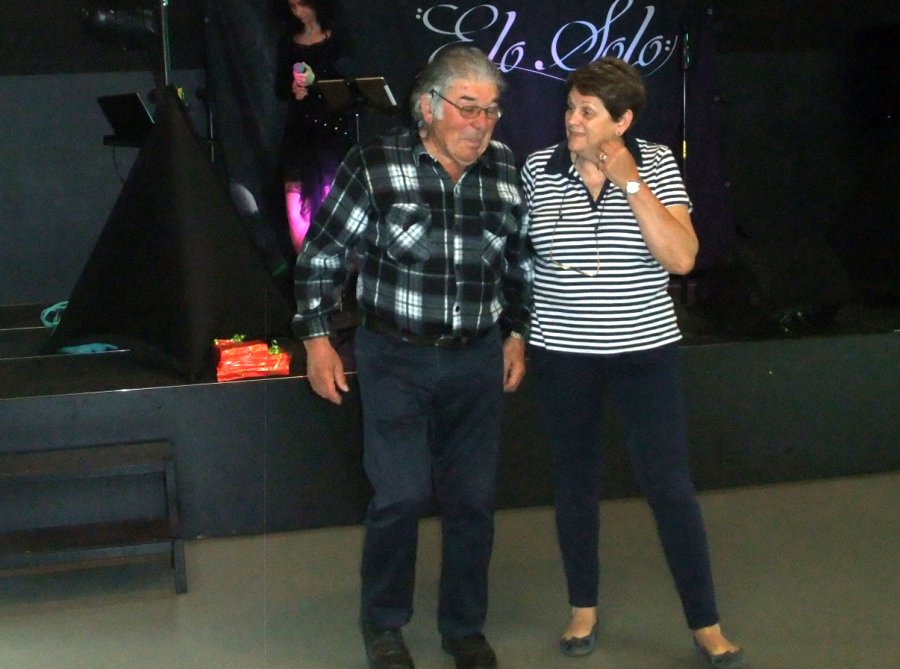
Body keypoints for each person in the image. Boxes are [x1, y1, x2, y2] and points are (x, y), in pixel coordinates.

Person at [292, 46, 531, 669]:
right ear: (427, 106)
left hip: (476, 358)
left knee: (472, 500)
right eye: (468, 107)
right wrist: (317, 339)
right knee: (399, 497)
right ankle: (383, 621)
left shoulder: (506, 167)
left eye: (491, 110)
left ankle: (463, 627)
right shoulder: (376, 163)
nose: (481, 123)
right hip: (394, 357)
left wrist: (516, 333)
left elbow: (519, 261)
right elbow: (322, 254)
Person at [520, 58, 746, 668]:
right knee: (574, 484)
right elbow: (521, 263)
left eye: (587, 112)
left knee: (669, 487)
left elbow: (682, 258)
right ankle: (582, 609)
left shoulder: (657, 164)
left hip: (645, 353)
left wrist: (631, 182)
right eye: (570, 107)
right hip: (563, 354)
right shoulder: (539, 169)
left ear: (622, 122)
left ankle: (706, 624)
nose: (572, 120)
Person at [275, 0, 353, 253]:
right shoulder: (288, 41)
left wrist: (315, 82)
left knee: (331, 200)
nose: (298, 12)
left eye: (302, 5)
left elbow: (347, 87)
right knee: (296, 202)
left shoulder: (338, 38)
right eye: (292, 6)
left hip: (331, 130)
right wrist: (293, 88)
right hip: (300, 131)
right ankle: (305, 260)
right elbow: (279, 87)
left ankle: (332, 263)